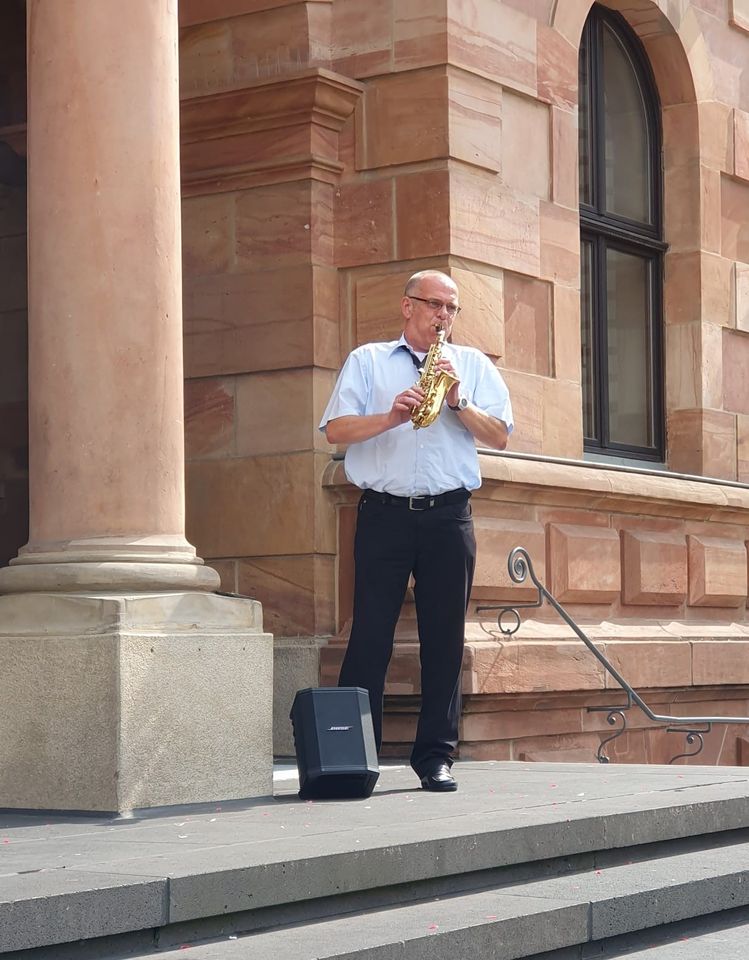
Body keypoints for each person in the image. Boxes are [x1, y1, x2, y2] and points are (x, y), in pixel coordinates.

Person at [319, 270, 513, 792]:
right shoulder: (367, 361)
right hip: (383, 513)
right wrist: (389, 417)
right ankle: (356, 757)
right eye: (434, 305)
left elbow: (499, 437)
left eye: (451, 309)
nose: (443, 316)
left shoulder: (470, 366)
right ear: (408, 307)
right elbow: (336, 431)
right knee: (369, 638)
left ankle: (435, 758)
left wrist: (457, 401)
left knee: (444, 640)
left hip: (449, 516)